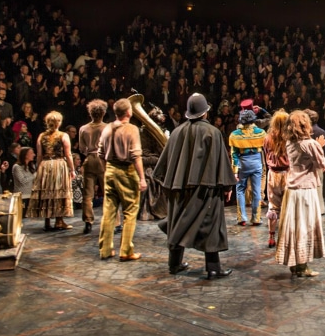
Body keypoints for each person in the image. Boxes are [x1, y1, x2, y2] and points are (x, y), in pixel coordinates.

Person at [153, 93, 236, 278]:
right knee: (211, 226)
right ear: (205, 112)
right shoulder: (212, 132)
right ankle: (213, 268)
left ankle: (174, 265)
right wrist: (227, 187)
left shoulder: (176, 132)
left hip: (179, 188)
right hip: (205, 189)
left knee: (176, 222)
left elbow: (165, 162)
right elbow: (220, 162)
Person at [275, 110, 325, 277]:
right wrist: (319, 147)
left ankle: (295, 264)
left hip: (291, 191)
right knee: (305, 227)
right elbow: (322, 165)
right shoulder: (310, 143)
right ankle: (303, 266)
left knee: (294, 227)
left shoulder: (289, 142)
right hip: (305, 191)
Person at [97, 98, 146, 261]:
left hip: (110, 169)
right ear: (129, 112)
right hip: (126, 170)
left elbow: (100, 154)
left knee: (109, 211)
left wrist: (107, 169)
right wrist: (142, 178)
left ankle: (105, 249)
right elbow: (136, 156)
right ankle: (126, 251)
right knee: (130, 210)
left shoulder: (107, 128)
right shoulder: (132, 129)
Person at [26, 111, 76, 231]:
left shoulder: (41, 136)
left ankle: (47, 221)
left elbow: (39, 155)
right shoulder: (63, 135)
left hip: (45, 165)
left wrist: (39, 168)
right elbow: (68, 154)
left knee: (47, 191)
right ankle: (59, 221)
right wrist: (72, 169)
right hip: (58, 164)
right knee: (58, 190)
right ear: (59, 122)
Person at [229, 109, 267, 226]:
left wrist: (235, 171)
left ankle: (242, 217)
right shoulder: (261, 132)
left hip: (243, 162)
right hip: (256, 161)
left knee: (240, 189)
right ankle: (256, 218)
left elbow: (234, 154)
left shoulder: (235, 135)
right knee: (256, 191)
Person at [78, 99, 107, 234]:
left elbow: (82, 148)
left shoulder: (83, 128)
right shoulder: (107, 127)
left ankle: (88, 221)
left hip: (89, 159)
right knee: (108, 192)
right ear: (103, 113)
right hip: (102, 160)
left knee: (88, 194)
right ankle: (113, 221)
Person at [263, 110, 290, 249]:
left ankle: (271, 237)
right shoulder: (290, 138)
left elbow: (266, 153)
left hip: (273, 174)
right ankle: (284, 236)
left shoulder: (267, 138)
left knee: (273, 207)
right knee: (287, 207)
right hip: (287, 174)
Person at [306, 109, 325, 215]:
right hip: (318, 162)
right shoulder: (321, 131)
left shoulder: (305, 133)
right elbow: (324, 150)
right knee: (319, 186)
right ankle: (320, 208)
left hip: (307, 163)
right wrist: (324, 161)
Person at [12, 146, 36, 217]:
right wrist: (34, 175)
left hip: (30, 196)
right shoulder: (17, 167)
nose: (34, 155)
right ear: (25, 155)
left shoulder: (30, 166)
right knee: (22, 216)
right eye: (31, 153)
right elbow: (22, 180)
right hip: (22, 196)